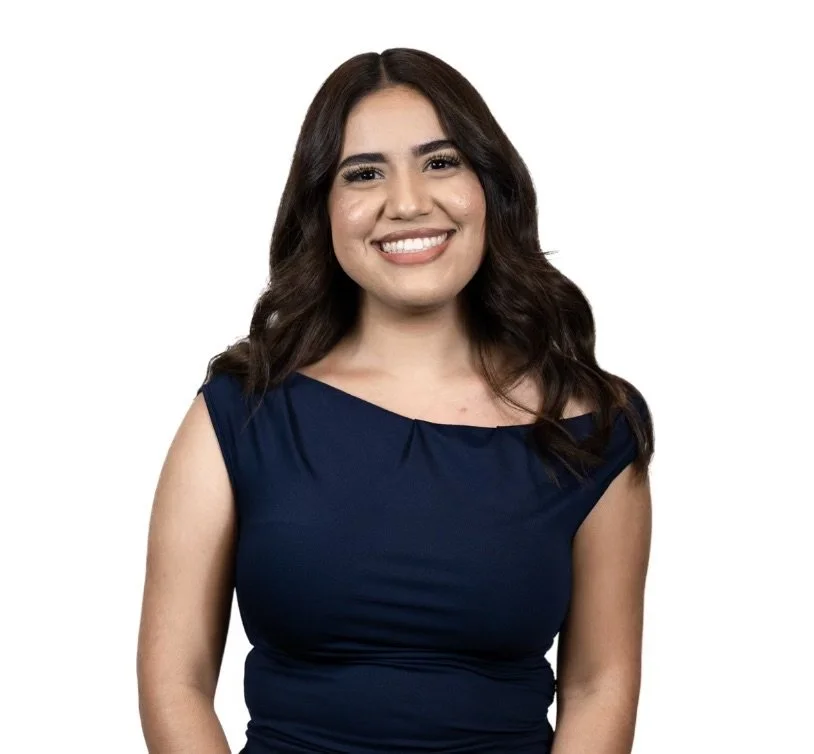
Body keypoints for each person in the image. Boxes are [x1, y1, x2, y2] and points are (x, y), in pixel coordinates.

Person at [137, 47, 655, 754]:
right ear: (322, 207)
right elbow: (176, 679)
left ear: (489, 188)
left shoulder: (591, 426)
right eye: (364, 173)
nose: (408, 201)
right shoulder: (241, 411)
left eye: (441, 162)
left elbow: (600, 684)